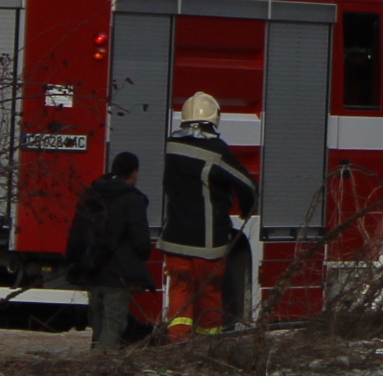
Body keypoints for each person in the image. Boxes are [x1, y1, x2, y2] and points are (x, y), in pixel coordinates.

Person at [157, 93, 256, 336]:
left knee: (180, 292)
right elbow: (246, 184)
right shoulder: (216, 150)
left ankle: (177, 345)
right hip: (207, 242)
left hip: (175, 239)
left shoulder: (171, 146)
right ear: (214, 120)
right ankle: (206, 347)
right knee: (209, 293)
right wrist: (246, 209)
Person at [66, 151, 156, 352]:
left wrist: (76, 263)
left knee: (97, 327)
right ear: (134, 172)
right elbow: (140, 241)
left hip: (93, 272)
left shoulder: (91, 194)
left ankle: (95, 366)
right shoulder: (133, 200)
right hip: (118, 275)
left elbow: (76, 233)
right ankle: (102, 368)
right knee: (112, 328)